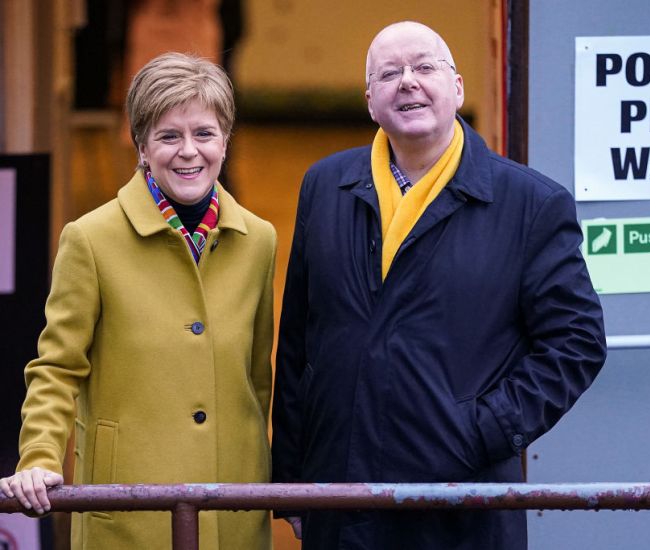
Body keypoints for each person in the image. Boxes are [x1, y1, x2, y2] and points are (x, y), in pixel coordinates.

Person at [271, 21, 606, 550]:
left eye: (425, 67)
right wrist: (293, 480)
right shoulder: (325, 186)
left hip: (461, 503)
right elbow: (298, 343)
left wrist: (483, 431)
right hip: (340, 492)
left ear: (458, 87)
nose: (408, 81)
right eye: (389, 73)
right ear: (370, 101)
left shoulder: (530, 204)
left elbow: (577, 342)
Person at [0, 52, 276, 550]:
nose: (189, 151)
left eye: (205, 133)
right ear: (142, 146)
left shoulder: (259, 240)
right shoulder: (90, 239)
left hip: (232, 507)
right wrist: (38, 457)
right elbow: (57, 369)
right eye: (169, 136)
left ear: (226, 140)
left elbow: (256, 380)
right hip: (127, 511)